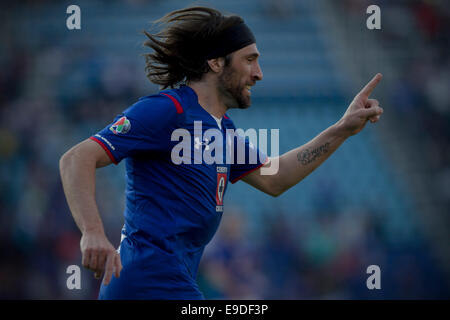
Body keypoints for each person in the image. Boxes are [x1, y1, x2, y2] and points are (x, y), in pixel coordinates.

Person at [59, 6, 383, 300]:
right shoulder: (168, 109)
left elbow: (277, 178)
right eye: (250, 59)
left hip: (172, 284)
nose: (259, 73)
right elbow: (76, 158)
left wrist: (341, 128)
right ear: (215, 62)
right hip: (147, 283)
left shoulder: (224, 131)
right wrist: (92, 233)